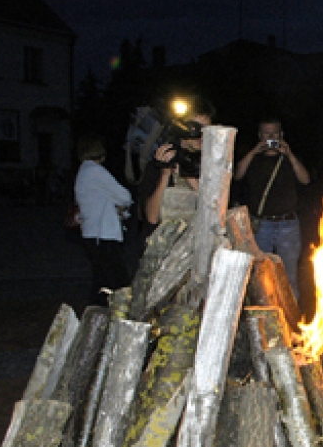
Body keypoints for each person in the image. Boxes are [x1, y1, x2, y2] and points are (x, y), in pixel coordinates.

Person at [234, 117, 311, 300]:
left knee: (289, 276)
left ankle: (292, 315)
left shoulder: (289, 158)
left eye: (274, 134)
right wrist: (254, 151)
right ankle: (264, 313)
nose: (271, 138)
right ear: (260, 136)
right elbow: (237, 175)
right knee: (261, 275)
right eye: (266, 134)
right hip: (261, 225)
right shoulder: (253, 158)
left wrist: (290, 155)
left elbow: (305, 180)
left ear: (281, 135)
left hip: (288, 224)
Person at [133, 97, 216, 234]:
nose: (201, 135)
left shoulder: (212, 164)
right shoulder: (162, 162)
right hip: (162, 242)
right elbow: (152, 218)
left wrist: (188, 175)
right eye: (196, 128)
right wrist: (165, 175)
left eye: (206, 130)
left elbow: (215, 211)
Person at [74, 135, 133, 305]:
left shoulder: (83, 172)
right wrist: (119, 206)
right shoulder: (95, 171)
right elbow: (124, 196)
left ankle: (96, 313)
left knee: (101, 281)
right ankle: (121, 313)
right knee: (118, 281)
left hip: (91, 232)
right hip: (103, 234)